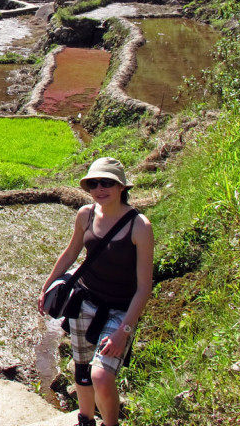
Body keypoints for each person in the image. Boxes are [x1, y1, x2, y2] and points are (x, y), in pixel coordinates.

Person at [38, 157, 154, 426]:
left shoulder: (140, 226)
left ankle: (110, 423)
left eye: (107, 183)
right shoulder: (86, 215)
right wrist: (47, 287)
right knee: (82, 371)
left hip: (119, 310)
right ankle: (85, 419)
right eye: (94, 183)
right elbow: (70, 254)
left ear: (122, 187)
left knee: (101, 375)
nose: (100, 189)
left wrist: (124, 331)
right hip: (83, 302)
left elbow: (144, 286)